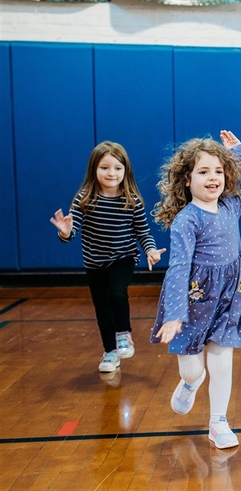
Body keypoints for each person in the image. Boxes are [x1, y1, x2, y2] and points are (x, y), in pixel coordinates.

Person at [150, 130, 241, 449]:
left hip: (229, 297)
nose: (213, 178)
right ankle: (190, 383)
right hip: (193, 302)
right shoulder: (187, 220)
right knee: (193, 368)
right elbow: (178, 268)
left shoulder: (230, 205)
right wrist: (174, 315)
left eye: (218, 171)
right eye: (203, 172)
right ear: (187, 180)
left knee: (222, 360)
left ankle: (218, 422)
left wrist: (239, 151)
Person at [50, 141, 165, 374]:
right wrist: (64, 231)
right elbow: (72, 232)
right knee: (102, 307)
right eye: (104, 167)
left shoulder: (132, 200)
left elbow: (143, 232)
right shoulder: (85, 198)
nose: (111, 173)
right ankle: (110, 352)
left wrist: (150, 250)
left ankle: (124, 335)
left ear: (125, 171)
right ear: (94, 169)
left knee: (116, 292)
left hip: (124, 256)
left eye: (117, 168)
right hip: (94, 261)